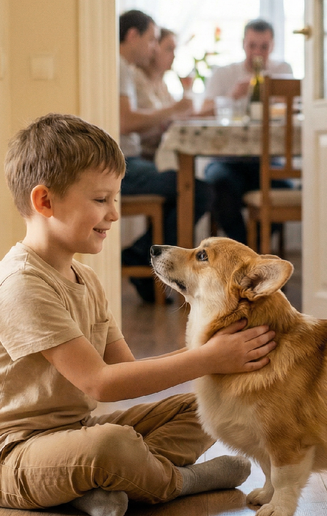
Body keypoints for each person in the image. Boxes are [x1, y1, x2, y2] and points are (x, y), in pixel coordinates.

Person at [0, 113, 277, 516]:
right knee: (111, 444)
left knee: (204, 408)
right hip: (6, 458)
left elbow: (124, 370)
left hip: (73, 431)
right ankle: (181, 481)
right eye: (100, 200)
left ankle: (92, 486)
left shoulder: (86, 279)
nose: (114, 214)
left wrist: (211, 355)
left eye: (115, 199)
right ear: (45, 201)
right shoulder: (21, 284)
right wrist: (210, 358)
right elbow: (101, 383)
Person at [118, 10, 210, 301]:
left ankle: (138, 258)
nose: (154, 48)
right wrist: (173, 110)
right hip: (123, 165)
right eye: (152, 40)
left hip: (134, 160)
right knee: (196, 189)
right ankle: (142, 260)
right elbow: (124, 122)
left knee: (195, 188)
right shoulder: (121, 67)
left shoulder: (123, 68)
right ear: (132, 35)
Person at [202, 19, 295, 247]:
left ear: (272, 46)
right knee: (218, 185)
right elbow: (202, 112)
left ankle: (255, 251)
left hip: (267, 161)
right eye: (252, 45)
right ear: (243, 43)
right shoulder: (225, 73)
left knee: (283, 193)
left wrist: (275, 96)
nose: (257, 52)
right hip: (227, 159)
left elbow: (297, 109)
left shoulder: (282, 71)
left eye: (263, 47)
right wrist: (232, 95)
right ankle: (242, 253)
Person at [133, 28, 189, 161]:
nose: (174, 55)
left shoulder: (161, 83)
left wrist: (186, 91)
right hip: (144, 155)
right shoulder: (137, 77)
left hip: (161, 154)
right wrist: (175, 109)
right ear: (155, 49)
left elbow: (178, 116)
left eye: (175, 50)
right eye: (169, 49)